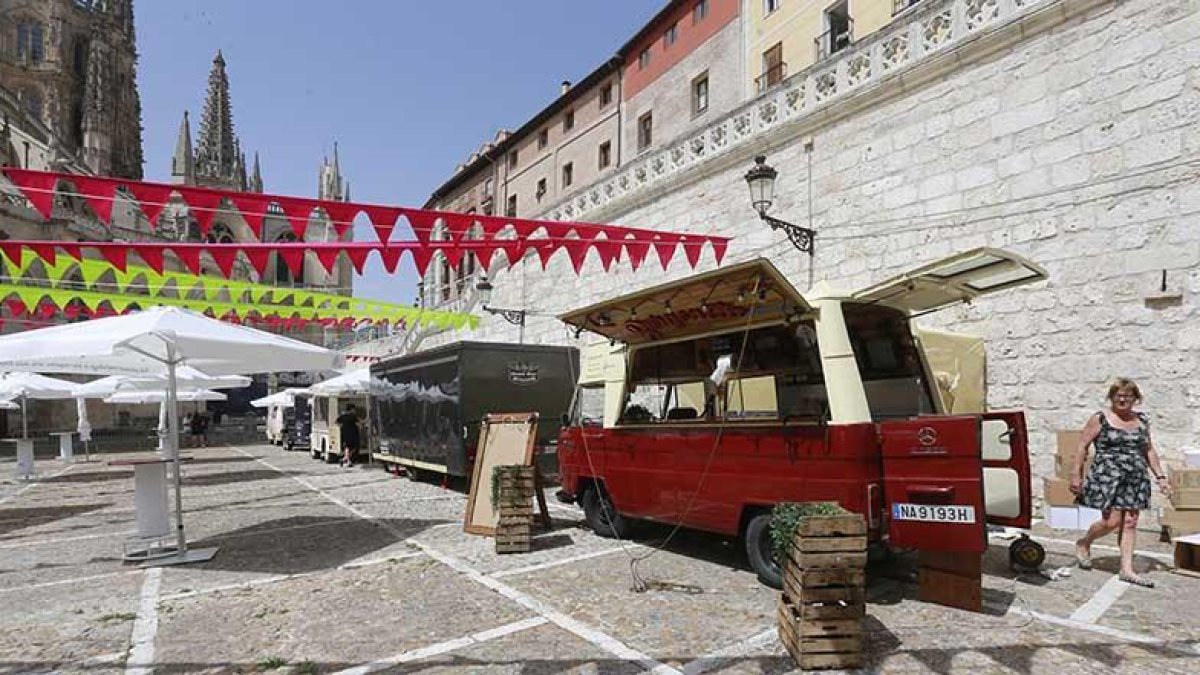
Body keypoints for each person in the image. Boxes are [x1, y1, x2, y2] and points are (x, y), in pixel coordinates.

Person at [1071, 378, 1171, 587]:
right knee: (1111, 522)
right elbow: (1082, 446)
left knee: (1130, 522)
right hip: (1108, 476)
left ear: (1136, 398)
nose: (1123, 398)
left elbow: (1148, 450)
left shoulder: (1142, 420)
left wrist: (1160, 477)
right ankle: (1084, 542)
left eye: (1128, 395)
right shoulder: (1100, 419)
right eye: (1118, 395)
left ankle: (1127, 569)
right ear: (1112, 397)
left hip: (1135, 477)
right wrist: (1075, 474)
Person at [336, 403, 361, 468]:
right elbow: (358, 423)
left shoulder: (343, 415)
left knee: (347, 447)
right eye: (354, 409)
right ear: (351, 409)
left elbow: (336, 422)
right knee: (354, 447)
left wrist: (341, 426)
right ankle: (347, 460)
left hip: (345, 433)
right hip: (353, 434)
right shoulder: (353, 416)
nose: (354, 410)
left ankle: (344, 459)